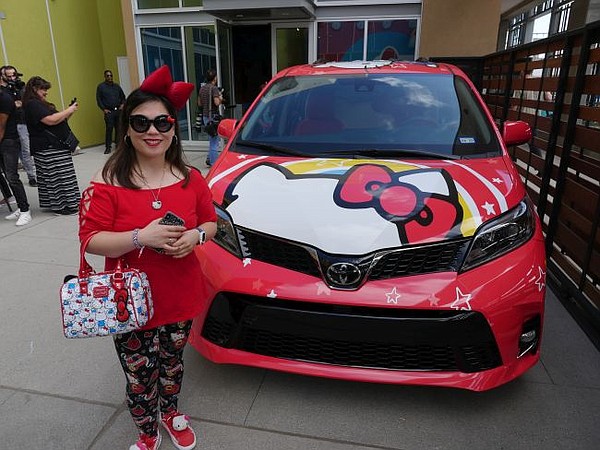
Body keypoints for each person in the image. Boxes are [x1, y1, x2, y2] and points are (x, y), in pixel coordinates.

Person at [79, 65, 217, 450]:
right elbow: (90, 240)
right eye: (141, 122)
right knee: (139, 373)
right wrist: (140, 236)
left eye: (162, 121)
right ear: (127, 128)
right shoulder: (107, 180)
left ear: (173, 128)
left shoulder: (191, 177)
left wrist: (194, 236)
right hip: (130, 302)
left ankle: (170, 412)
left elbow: (212, 223)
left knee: (172, 363)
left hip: (180, 294)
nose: (152, 131)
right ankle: (146, 429)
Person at [22, 76, 81, 215]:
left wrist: (68, 111)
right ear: (34, 89)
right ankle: (62, 206)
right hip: (48, 146)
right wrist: (69, 110)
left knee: (55, 177)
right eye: (43, 89)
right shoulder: (32, 104)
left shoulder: (40, 103)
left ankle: (58, 204)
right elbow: (50, 121)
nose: (46, 92)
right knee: (58, 177)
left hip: (52, 145)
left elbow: (59, 119)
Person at [0, 83, 32, 225]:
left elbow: (1, 126)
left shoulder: (4, 99)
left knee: (12, 176)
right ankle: (20, 206)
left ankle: (25, 210)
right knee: (8, 175)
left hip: (9, 141)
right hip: (4, 141)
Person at [1, 65, 37, 186]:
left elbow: (28, 101)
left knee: (26, 151)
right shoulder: (3, 91)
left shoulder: (21, 87)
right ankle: (13, 178)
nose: (12, 78)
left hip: (23, 122)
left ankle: (32, 176)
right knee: (14, 155)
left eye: (14, 75)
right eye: (9, 75)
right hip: (11, 125)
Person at [197, 68, 223, 167]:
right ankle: (214, 163)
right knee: (214, 142)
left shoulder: (202, 88)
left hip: (205, 116)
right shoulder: (214, 88)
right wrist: (220, 98)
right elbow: (216, 102)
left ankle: (209, 158)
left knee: (211, 138)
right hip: (213, 117)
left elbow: (199, 103)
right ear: (214, 78)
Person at [96, 69, 126, 154]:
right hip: (109, 112)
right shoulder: (101, 87)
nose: (110, 77)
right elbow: (99, 100)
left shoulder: (117, 86)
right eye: (108, 76)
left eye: (111, 75)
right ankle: (108, 147)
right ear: (105, 77)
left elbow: (123, 97)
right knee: (109, 129)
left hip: (118, 111)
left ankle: (118, 146)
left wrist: (123, 104)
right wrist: (103, 109)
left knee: (118, 129)